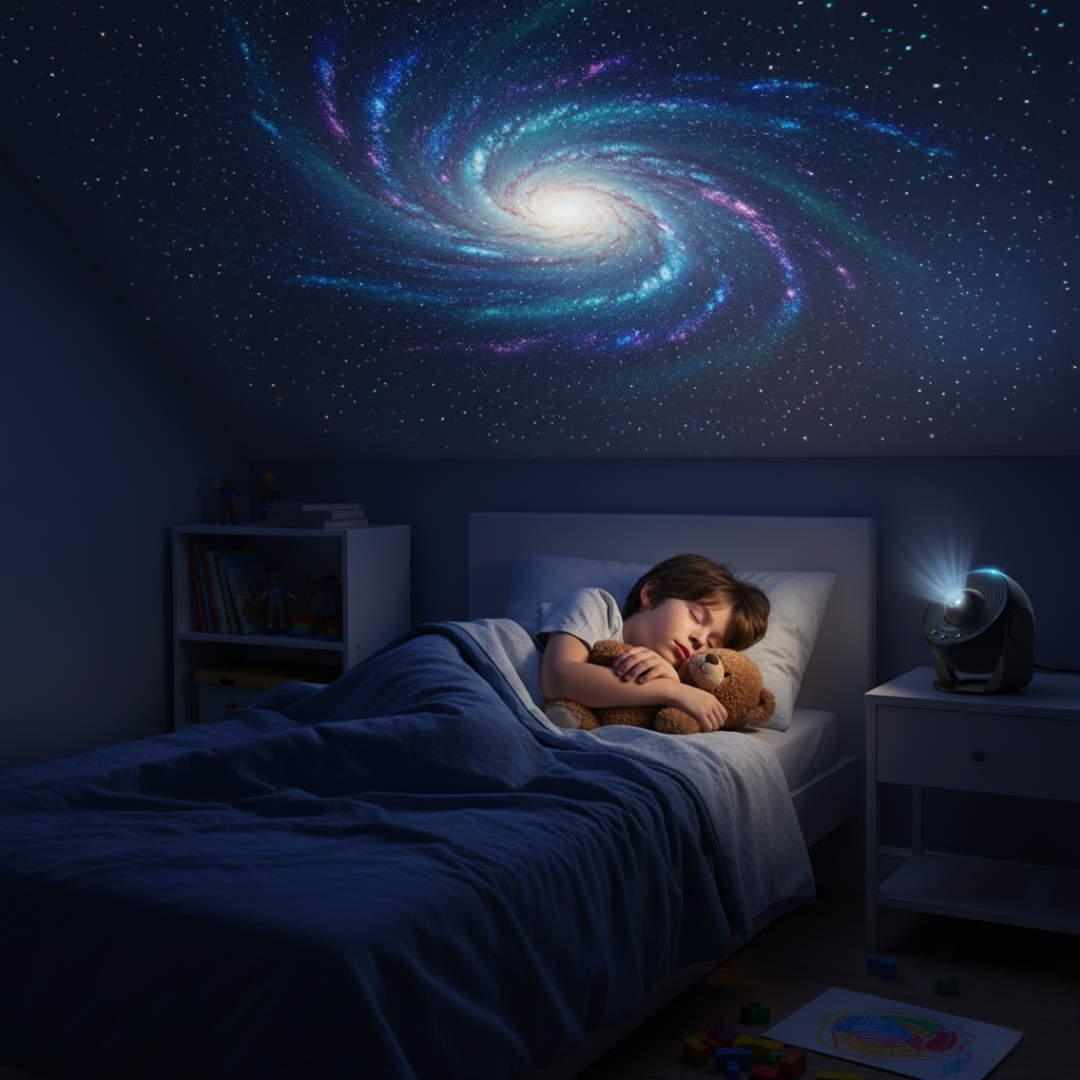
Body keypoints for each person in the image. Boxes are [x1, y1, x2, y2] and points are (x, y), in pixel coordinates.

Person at [539, 554, 769, 732]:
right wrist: (672, 690)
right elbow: (558, 678)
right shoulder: (595, 606)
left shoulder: (670, 692)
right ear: (652, 593)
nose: (700, 640)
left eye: (712, 642)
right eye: (696, 617)